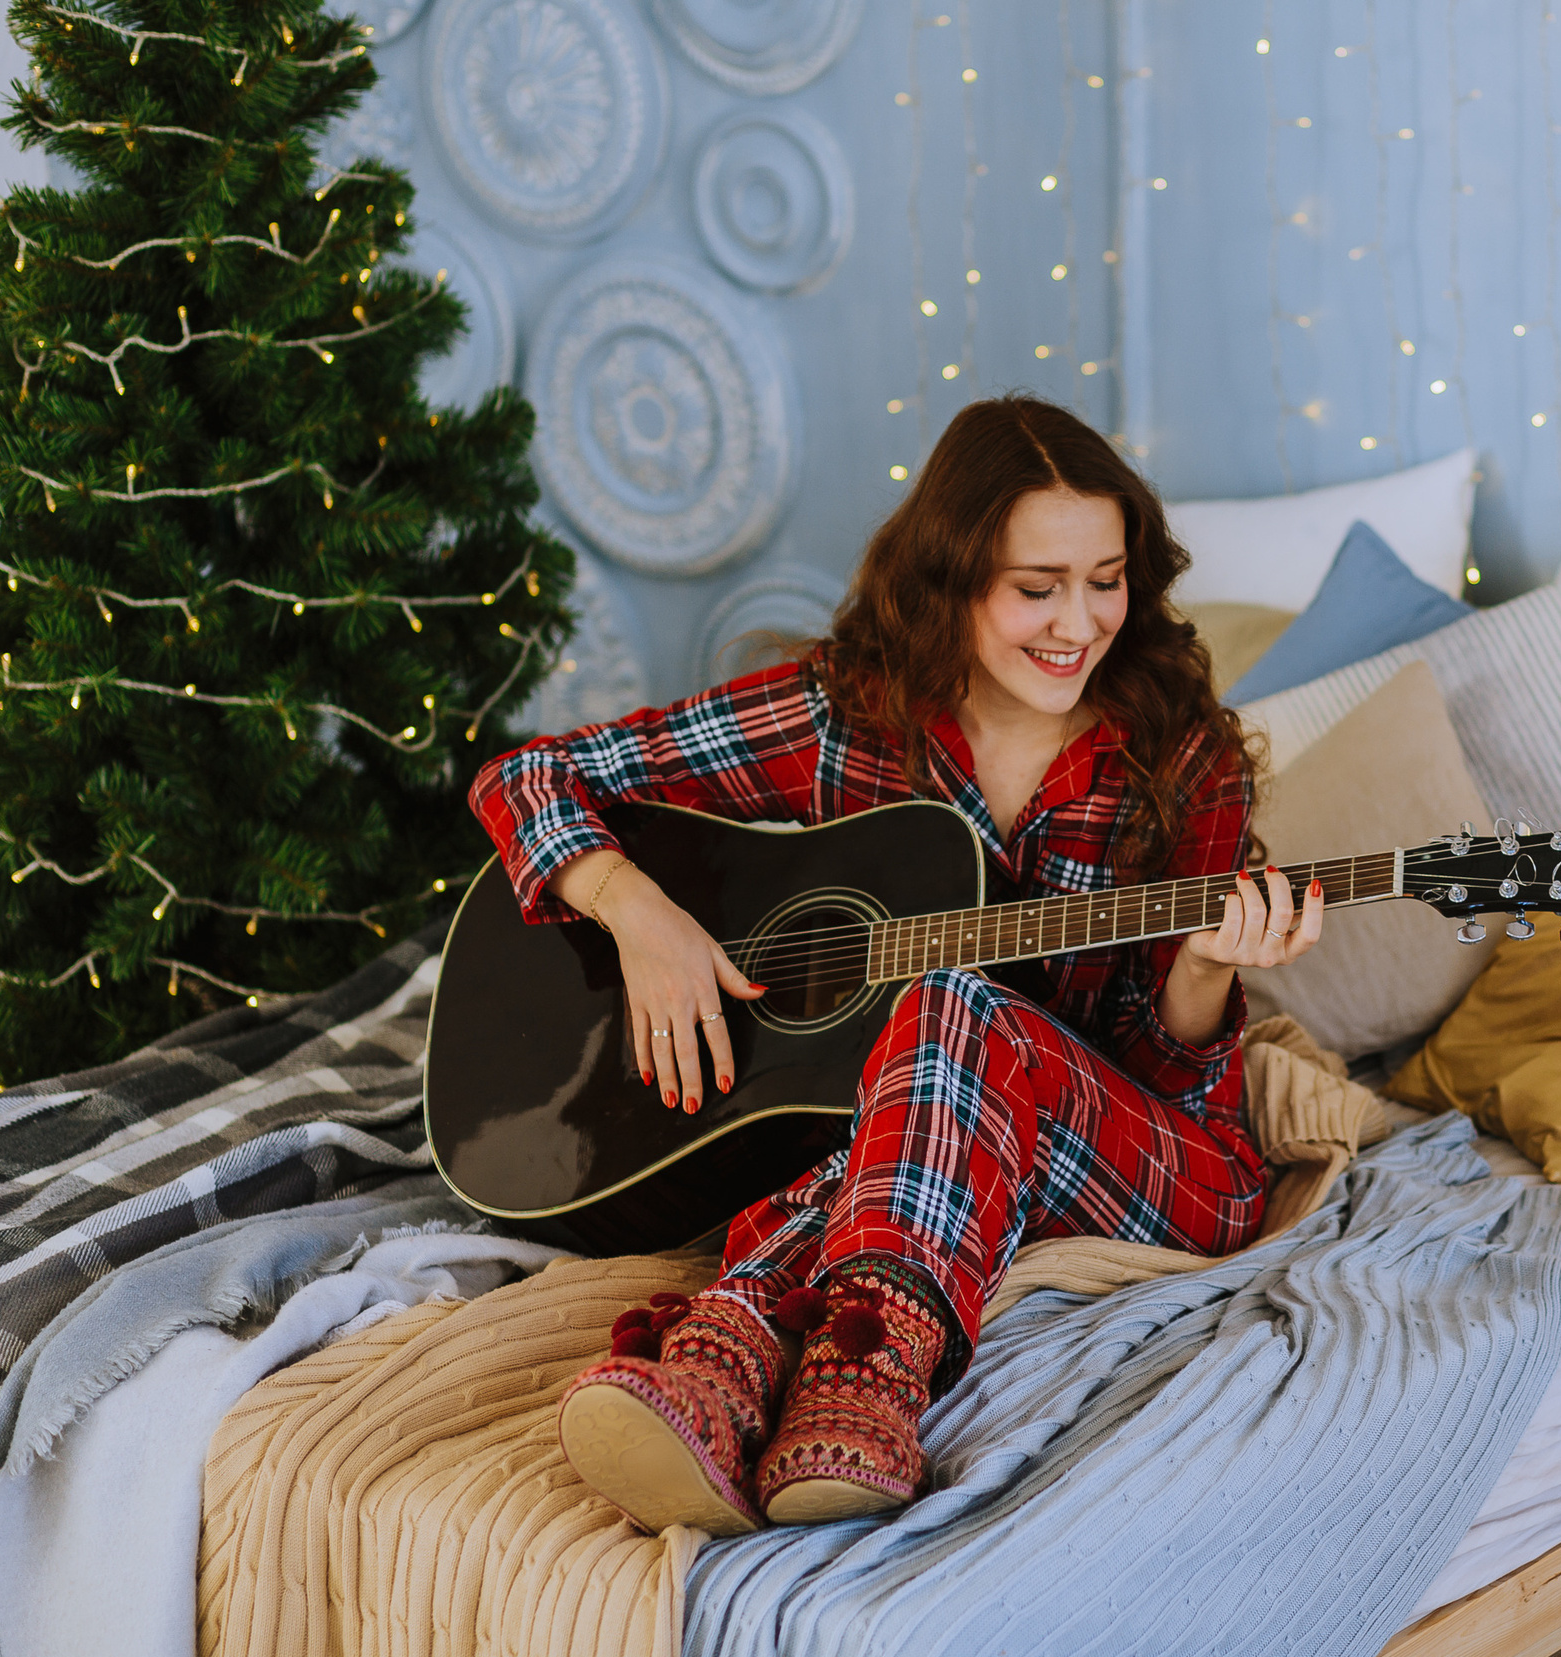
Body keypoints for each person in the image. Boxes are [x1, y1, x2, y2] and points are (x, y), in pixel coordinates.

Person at [467, 395, 1322, 1536]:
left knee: (952, 1007)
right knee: (909, 1071)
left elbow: (1170, 1087)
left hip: (1156, 1162)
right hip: (910, 1154)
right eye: (1037, 587)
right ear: (953, 578)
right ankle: (830, 1392)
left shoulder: (1181, 760)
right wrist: (639, 913)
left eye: (1106, 579)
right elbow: (526, 779)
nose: (1081, 622)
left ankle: (762, 1341)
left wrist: (1206, 970)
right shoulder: (845, 718)